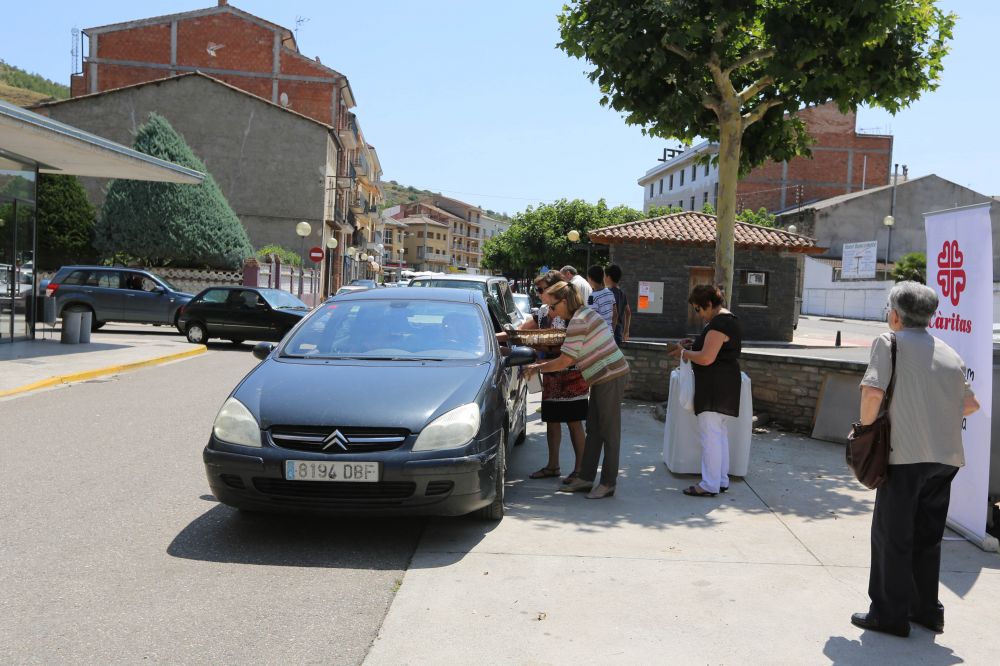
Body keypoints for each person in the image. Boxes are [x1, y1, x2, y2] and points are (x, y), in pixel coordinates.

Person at [850, 281, 979, 638]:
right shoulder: (949, 352)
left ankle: (889, 614)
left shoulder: (887, 342)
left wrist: (864, 432)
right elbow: (970, 405)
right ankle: (926, 610)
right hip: (945, 458)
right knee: (927, 536)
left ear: (894, 314)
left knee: (892, 535)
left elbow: (873, 393)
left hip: (903, 455)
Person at [526, 281, 630, 499]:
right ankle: (585, 478)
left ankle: (608, 483)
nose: (551, 312)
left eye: (553, 307)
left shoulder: (578, 321)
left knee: (609, 432)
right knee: (593, 429)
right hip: (603, 377)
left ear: (564, 302)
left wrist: (537, 367)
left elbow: (565, 360)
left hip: (610, 376)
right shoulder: (581, 315)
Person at [668, 284, 741, 497]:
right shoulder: (729, 320)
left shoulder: (719, 323)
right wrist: (692, 346)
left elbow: (707, 358)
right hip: (724, 384)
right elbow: (713, 351)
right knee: (719, 435)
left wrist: (684, 353)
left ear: (709, 304)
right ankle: (720, 479)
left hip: (714, 387)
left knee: (710, 436)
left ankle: (709, 484)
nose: (699, 315)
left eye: (699, 310)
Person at [519, 271, 588, 482]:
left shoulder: (576, 314)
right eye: (537, 290)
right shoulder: (542, 312)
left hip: (573, 374)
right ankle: (553, 465)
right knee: (552, 420)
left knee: (575, 422)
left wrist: (543, 352)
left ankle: (580, 470)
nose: (539, 294)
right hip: (550, 372)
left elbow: (571, 350)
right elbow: (522, 331)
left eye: (541, 290)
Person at [604, 264, 631, 345]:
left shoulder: (608, 293)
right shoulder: (622, 293)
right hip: (618, 332)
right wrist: (626, 331)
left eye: (604, 276)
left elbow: (613, 316)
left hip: (609, 333)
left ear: (608, 277)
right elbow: (628, 313)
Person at [586, 265, 617, 332]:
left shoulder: (592, 297)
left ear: (590, 279)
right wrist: (612, 330)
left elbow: (592, 319)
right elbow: (615, 314)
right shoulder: (610, 293)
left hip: (599, 335)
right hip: (609, 332)